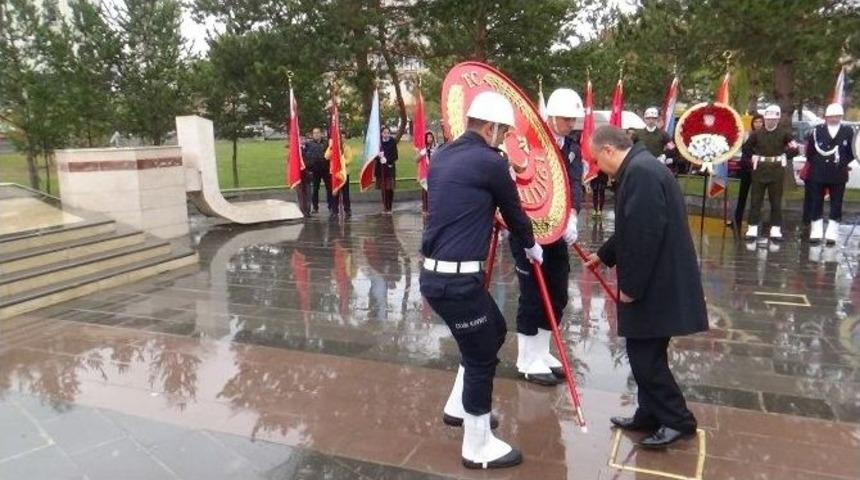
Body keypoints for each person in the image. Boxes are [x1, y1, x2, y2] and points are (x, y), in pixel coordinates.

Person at [421, 91, 541, 469]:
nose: (503, 138)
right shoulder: (490, 163)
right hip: (456, 284)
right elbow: (515, 212)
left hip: (438, 277)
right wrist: (532, 246)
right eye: (502, 132)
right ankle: (477, 445)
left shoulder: (442, 156)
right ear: (489, 128)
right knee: (481, 356)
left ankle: (460, 407)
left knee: (494, 329)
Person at [584, 125, 708, 449]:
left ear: (609, 150)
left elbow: (644, 236)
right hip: (657, 280)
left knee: (646, 359)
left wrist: (632, 287)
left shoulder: (641, 173)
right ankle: (649, 413)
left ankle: (678, 419)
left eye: (598, 159)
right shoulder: (639, 168)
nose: (597, 167)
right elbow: (631, 224)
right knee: (646, 353)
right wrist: (603, 255)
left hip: (656, 284)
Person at [512, 88, 581, 386]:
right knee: (532, 295)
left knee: (557, 292)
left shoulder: (572, 147)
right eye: (567, 119)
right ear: (551, 116)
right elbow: (520, 189)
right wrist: (528, 236)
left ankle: (542, 351)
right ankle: (526, 359)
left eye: (574, 119)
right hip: (530, 233)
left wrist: (573, 215)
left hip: (558, 231)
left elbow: (575, 183)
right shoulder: (530, 142)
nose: (571, 124)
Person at [744, 105, 798, 241]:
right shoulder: (756, 134)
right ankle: (752, 227)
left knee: (776, 201)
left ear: (778, 119)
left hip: (776, 171)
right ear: (764, 119)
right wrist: (753, 156)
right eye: (768, 119)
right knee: (756, 200)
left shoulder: (784, 134)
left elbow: (795, 149)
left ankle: (775, 229)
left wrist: (786, 155)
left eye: (773, 119)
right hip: (760, 169)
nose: (770, 122)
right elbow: (746, 148)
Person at [806, 103, 856, 244]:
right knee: (816, 201)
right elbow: (810, 152)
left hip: (838, 173)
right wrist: (817, 163)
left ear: (841, 116)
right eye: (831, 116)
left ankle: (832, 231)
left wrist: (842, 163)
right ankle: (816, 230)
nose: (834, 119)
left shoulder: (848, 131)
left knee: (836, 202)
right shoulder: (817, 131)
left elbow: (852, 151)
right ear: (826, 117)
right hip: (818, 172)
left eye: (837, 116)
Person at [730, 114, 764, 228]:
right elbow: (744, 148)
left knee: (757, 197)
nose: (758, 124)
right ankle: (736, 220)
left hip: (759, 170)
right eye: (756, 122)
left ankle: (754, 222)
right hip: (746, 169)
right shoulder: (747, 134)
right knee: (742, 196)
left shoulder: (764, 136)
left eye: (760, 122)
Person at [634, 107, 678, 173]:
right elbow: (630, 147)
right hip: (641, 163)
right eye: (648, 118)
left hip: (657, 163)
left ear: (657, 119)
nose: (651, 121)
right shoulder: (638, 134)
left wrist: (664, 155)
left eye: (653, 118)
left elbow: (672, 147)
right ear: (644, 119)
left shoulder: (663, 134)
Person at [304, 127, 333, 215]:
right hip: (315, 170)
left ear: (321, 134)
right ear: (312, 135)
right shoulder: (309, 144)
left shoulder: (326, 143)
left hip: (326, 169)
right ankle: (315, 207)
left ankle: (331, 206)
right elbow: (305, 156)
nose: (316, 134)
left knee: (329, 188)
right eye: (314, 133)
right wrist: (309, 168)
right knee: (315, 189)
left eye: (317, 133)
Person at [325, 133, 353, 218]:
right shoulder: (333, 147)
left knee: (345, 193)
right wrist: (330, 147)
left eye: (343, 137)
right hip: (334, 174)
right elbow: (326, 156)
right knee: (334, 193)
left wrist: (341, 163)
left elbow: (350, 159)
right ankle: (334, 210)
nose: (342, 139)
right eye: (340, 137)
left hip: (344, 174)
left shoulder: (347, 148)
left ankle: (347, 210)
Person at [376, 126, 398, 213]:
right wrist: (378, 157)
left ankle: (390, 207)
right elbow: (374, 156)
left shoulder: (392, 141)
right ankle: (385, 207)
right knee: (383, 189)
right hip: (381, 169)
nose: (386, 134)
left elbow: (395, 156)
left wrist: (387, 160)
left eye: (388, 133)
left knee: (389, 188)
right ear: (381, 133)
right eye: (384, 132)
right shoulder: (378, 142)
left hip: (390, 167)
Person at [420, 131, 437, 212]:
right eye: (428, 137)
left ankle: (433, 208)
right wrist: (422, 154)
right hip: (425, 173)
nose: (429, 139)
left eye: (431, 137)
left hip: (434, 172)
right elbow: (416, 160)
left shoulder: (436, 147)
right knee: (425, 190)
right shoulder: (423, 148)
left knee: (433, 190)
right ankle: (425, 208)